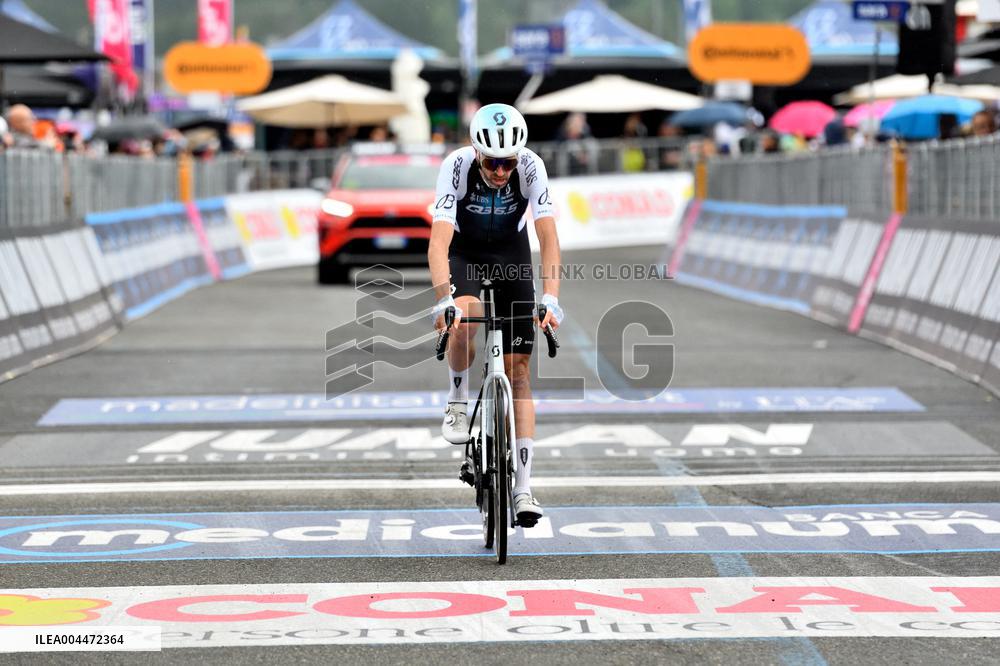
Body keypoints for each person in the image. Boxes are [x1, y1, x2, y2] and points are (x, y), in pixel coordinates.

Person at [427, 103, 562, 527]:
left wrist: (552, 297)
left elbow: (548, 236)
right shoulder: (456, 166)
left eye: (509, 163)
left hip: (511, 255)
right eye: (493, 162)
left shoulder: (532, 167)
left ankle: (522, 488)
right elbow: (438, 242)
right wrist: (442, 300)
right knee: (465, 317)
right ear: (475, 151)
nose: (502, 171)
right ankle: (457, 399)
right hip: (465, 253)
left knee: (519, 370)